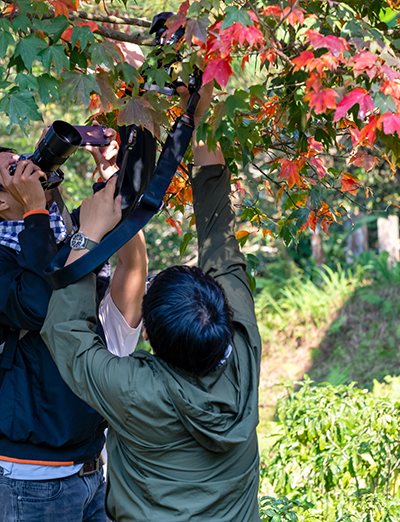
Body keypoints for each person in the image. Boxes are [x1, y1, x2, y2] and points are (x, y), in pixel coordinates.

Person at [41, 82, 262, 521]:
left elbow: (65, 330)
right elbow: (219, 236)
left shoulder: (134, 389)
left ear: (149, 332)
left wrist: (89, 231)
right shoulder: (240, 354)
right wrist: (198, 114)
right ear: (223, 309)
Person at [0, 131, 146, 522]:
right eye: (13, 169)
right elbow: (46, 306)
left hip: (93, 473)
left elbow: (128, 262)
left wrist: (110, 174)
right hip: (32, 485)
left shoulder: (58, 239)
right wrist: (36, 213)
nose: (29, 167)